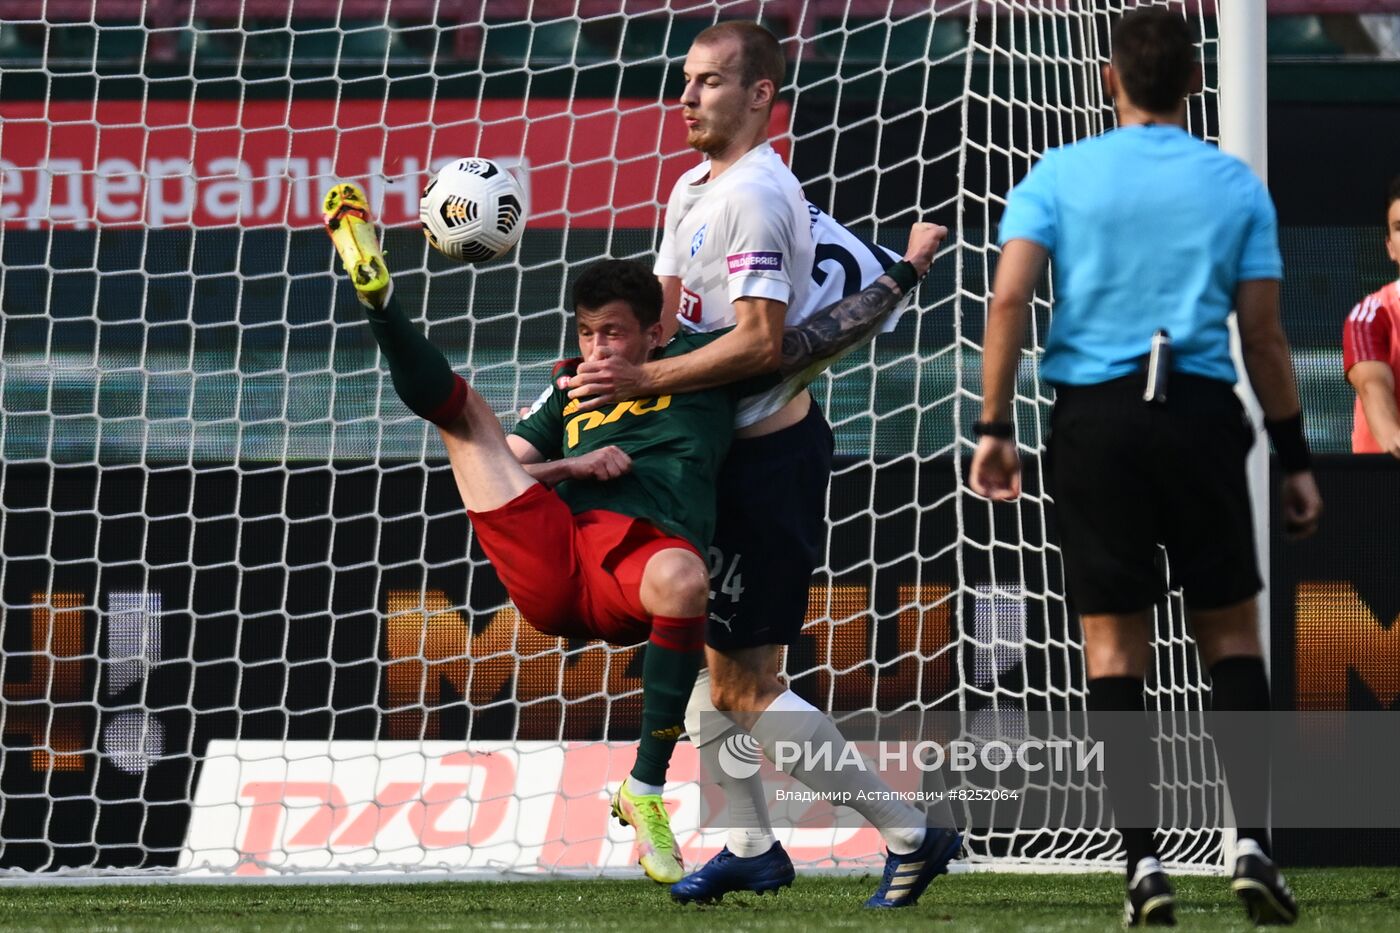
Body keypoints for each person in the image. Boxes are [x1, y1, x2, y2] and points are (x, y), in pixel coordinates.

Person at [322, 182, 945, 889]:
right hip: (558, 553)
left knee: (703, 628)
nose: (595, 349)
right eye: (586, 334)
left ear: (654, 332)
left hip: (643, 559)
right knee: (465, 422)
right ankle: (381, 303)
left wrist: (908, 268)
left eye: (611, 333)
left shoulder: (706, 369)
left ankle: (660, 795)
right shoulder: (569, 387)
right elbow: (515, 464)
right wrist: (573, 462)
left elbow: (823, 335)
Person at [564, 20, 962, 909]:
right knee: (710, 662)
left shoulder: (754, 195)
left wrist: (642, 372)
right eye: (684, 80)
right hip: (709, 454)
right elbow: (665, 315)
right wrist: (602, 362)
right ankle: (750, 846)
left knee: (745, 686)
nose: (687, 96)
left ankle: (911, 830)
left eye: (709, 82)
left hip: (764, 461)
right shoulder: (691, 187)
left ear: (759, 97)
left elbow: (758, 342)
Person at [968, 8, 1322, 927]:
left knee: (1113, 647)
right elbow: (1266, 335)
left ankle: (1143, 863)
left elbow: (1009, 297)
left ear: (1107, 78)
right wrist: (1294, 456)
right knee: (1233, 638)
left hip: (1098, 420)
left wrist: (993, 424)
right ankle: (1252, 844)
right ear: (1195, 84)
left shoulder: (1061, 172)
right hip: (1202, 415)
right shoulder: (1234, 182)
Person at [1343, 175, 1400, 458]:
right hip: (1383, 486)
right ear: (1390, 246)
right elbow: (1372, 387)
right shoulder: (1370, 316)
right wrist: (1394, 436)